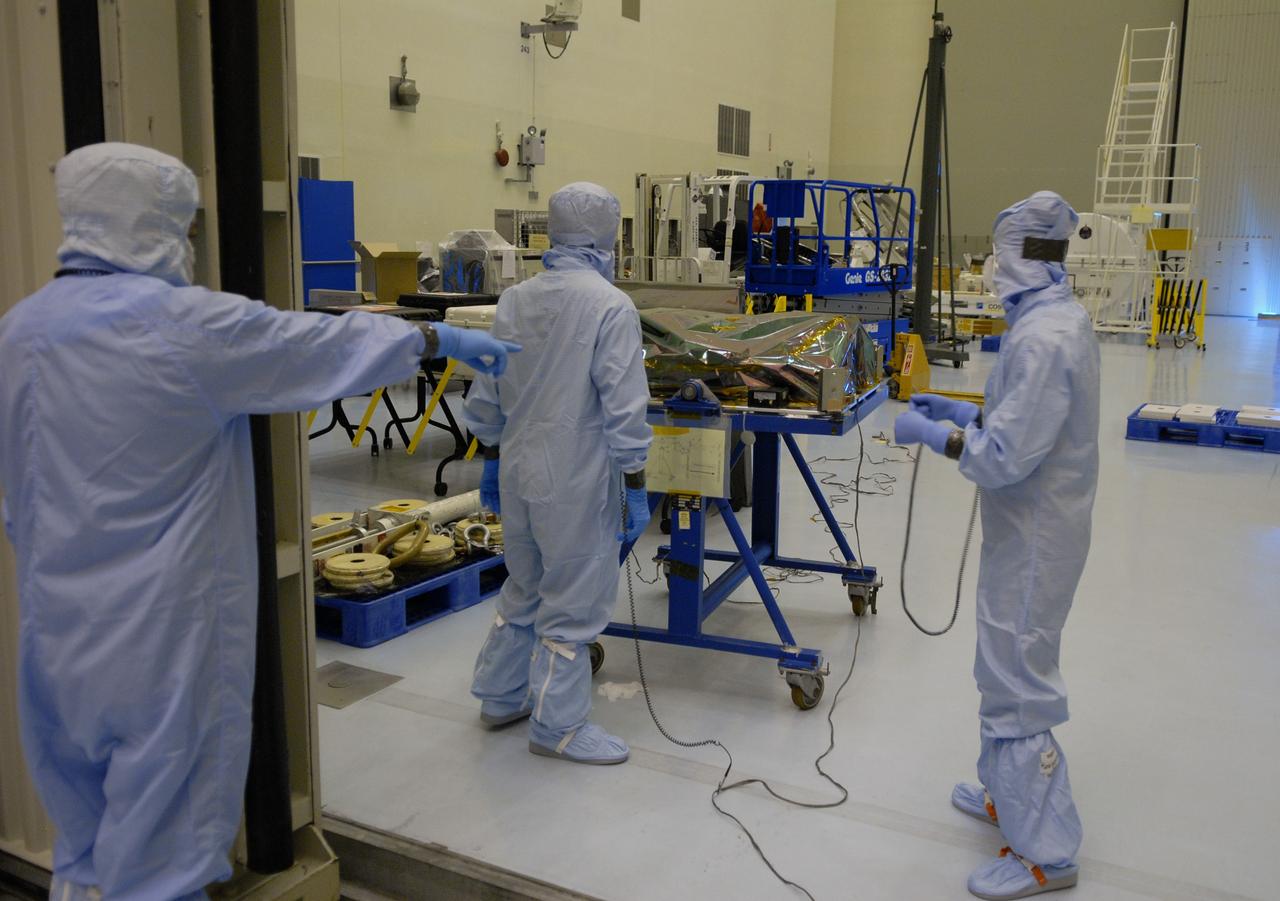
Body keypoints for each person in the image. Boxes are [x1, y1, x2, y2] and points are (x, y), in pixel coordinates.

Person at [0, 142, 519, 901]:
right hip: (157, 641)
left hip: (55, 635)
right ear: (159, 225)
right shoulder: (182, 326)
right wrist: (437, 339)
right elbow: (315, 345)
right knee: (160, 863)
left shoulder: (21, 330)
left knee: (84, 848)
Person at [894, 191, 1100, 900]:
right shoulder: (1051, 320)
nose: (991, 269)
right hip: (1029, 526)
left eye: (1001, 253)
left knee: (1017, 675)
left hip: (1036, 532)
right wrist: (963, 407)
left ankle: (1046, 850)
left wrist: (940, 434)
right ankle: (1004, 794)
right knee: (999, 657)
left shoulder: (1045, 337)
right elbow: (1020, 415)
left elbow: (1006, 455)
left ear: (1025, 254)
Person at [465, 182, 652, 765]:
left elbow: (486, 393)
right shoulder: (609, 305)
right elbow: (624, 407)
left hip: (519, 473)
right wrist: (637, 485)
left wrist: (492, 460)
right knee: (572, 602)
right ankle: (558, 728)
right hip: (575, 481)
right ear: (607, 238)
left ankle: (501, 696)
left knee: (523, 586)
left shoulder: (516, 300)